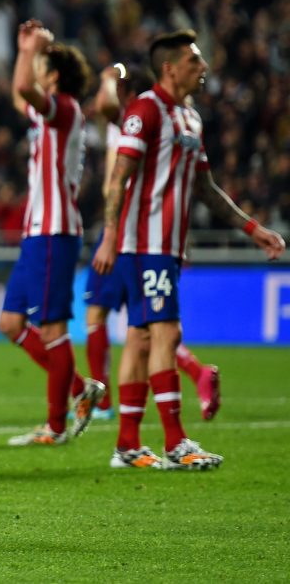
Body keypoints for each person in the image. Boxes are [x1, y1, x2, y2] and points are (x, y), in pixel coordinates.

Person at [92, 29, 285, 470]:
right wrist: (108, 236)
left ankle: (127, 445)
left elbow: (206, 187)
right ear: (170, 67)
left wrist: (251, 228)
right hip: (145, 244)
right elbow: (119, 176)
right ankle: (177, 442)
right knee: (167, 333)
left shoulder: (190, 119)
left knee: (141, 340)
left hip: (168, 247)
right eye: (196, 61)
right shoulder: (146, 109)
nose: (204, 69)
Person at [82, 63, 222, 422]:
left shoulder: (136, 119)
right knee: (145, 326)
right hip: (146, 233)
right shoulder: (147, 122)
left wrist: (107, 76)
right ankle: (194, 375)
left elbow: (104, 104)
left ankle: (104, 403)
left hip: (129, 233)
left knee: (113, 317)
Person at [0, 20, 106, 447]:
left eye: (42, 65)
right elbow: (18, 93)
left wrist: (28, 48)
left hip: (55, 231)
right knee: (10, 322)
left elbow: (24, 89)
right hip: (36, 234)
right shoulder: (49, 112)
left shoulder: (64, 109)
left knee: (52, 330)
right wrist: (28, 52)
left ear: (54, 75)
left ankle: (56, 427)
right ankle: (81, 388)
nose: (35, 71)